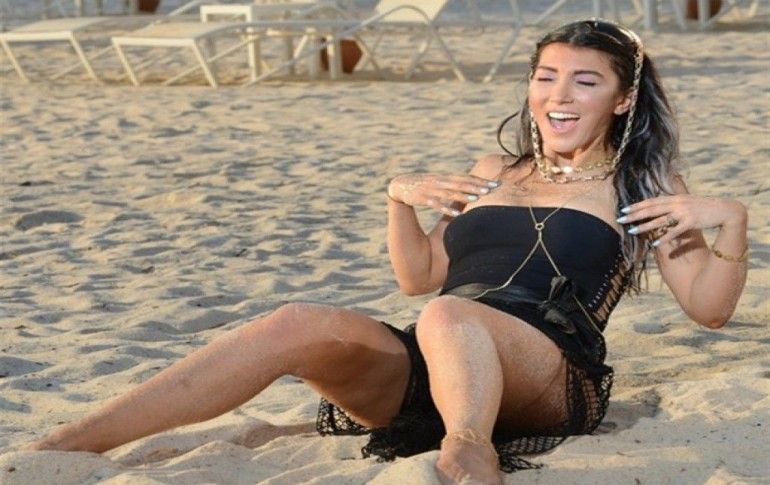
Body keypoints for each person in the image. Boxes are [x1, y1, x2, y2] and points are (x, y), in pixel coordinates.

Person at [27, 19, 748, 484]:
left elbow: (709, 310)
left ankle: (470, 451)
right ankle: (68, 443)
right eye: (545, 77)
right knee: (297, 321)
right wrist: (398, 198)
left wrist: (731, 221)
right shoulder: (491, 171)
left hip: (550, 375)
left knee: (449, 317)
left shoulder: (644, 185)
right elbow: (421, 276)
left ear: (620, 100)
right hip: (440, 358)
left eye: (585, 81)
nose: (558, 96)